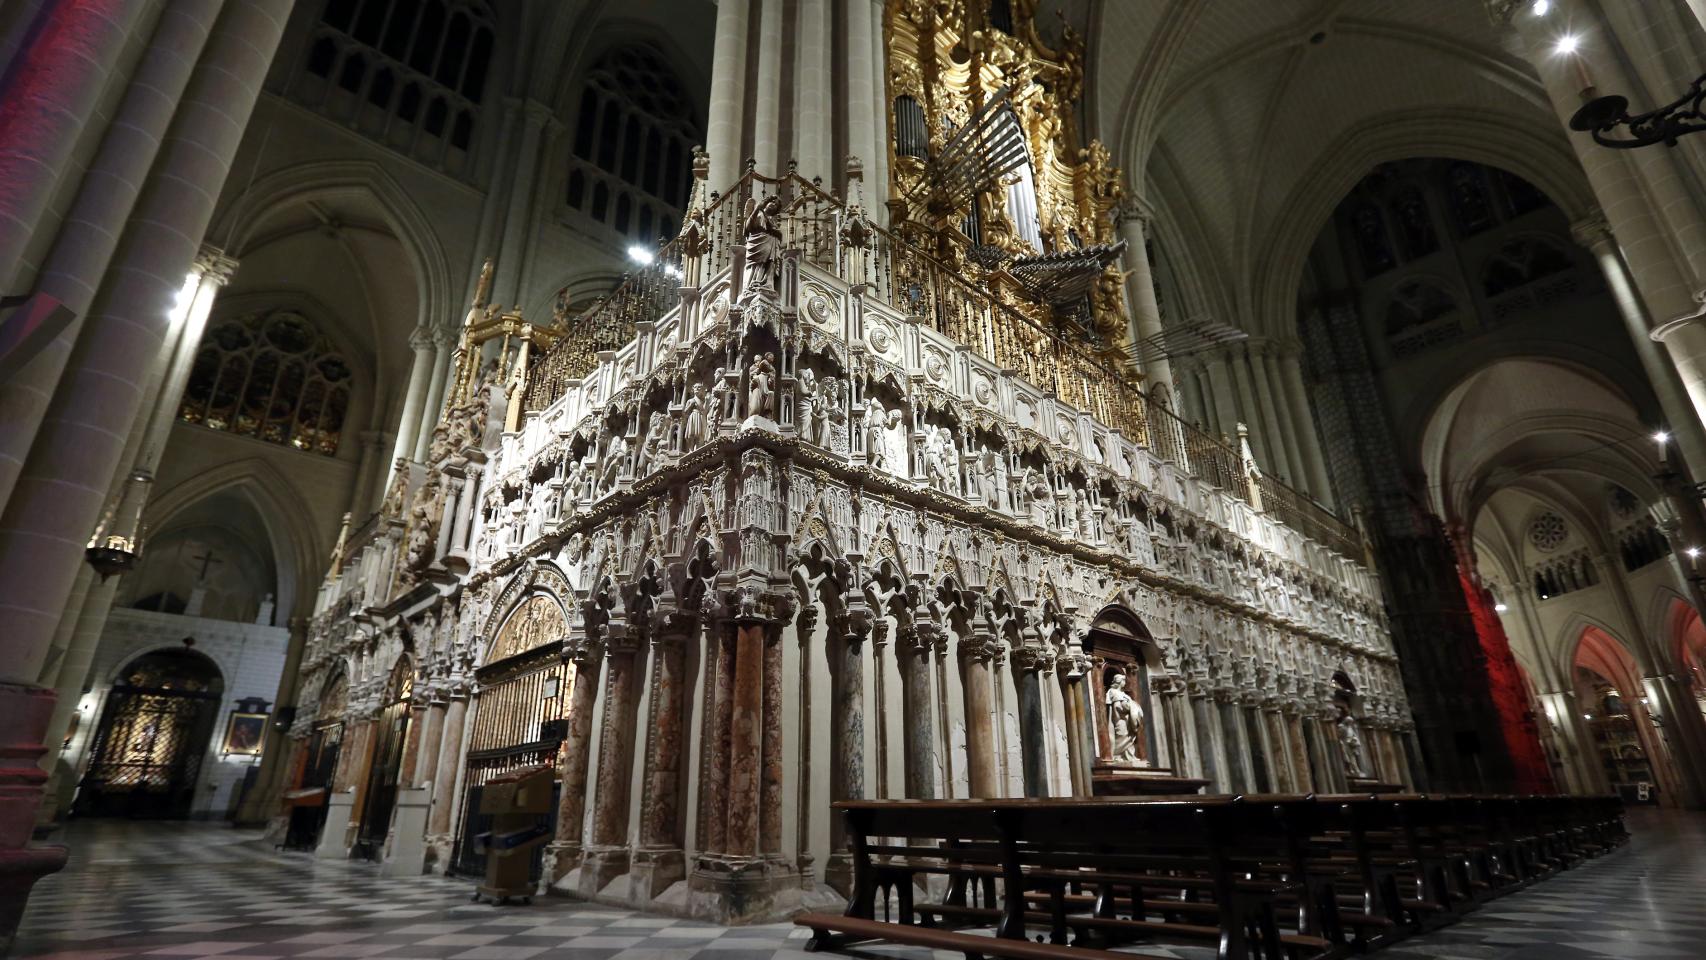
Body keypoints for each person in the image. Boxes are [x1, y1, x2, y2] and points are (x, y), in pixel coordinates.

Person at [1105, 672, 1145, 766]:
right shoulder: (1113, 692)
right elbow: (1117, 707)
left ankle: (1129, 756)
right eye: (1123, 680)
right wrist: (1130, 706)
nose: (1125, 682)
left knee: (1130, 739)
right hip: (1120, 720)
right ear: (1119, 681)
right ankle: (1116, 755)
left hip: (1128, 721)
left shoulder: (1124, 694)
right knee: (1121, 736)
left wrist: (1132, 707)